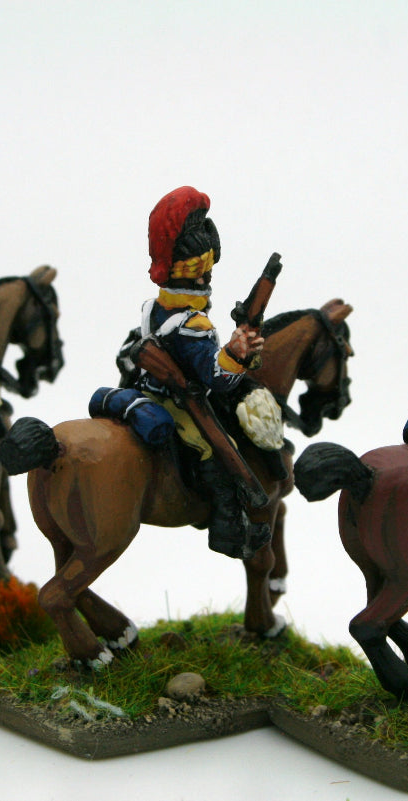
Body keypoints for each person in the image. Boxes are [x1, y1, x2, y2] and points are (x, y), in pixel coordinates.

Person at [130, 186, 271, 559]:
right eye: (201, 268)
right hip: (178, 400)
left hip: (148, 389)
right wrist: (236, 355)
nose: (205, 277)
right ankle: (228, 532)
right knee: (221, 451)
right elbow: (217, 379)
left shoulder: (151, 307)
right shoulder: (194, 324)